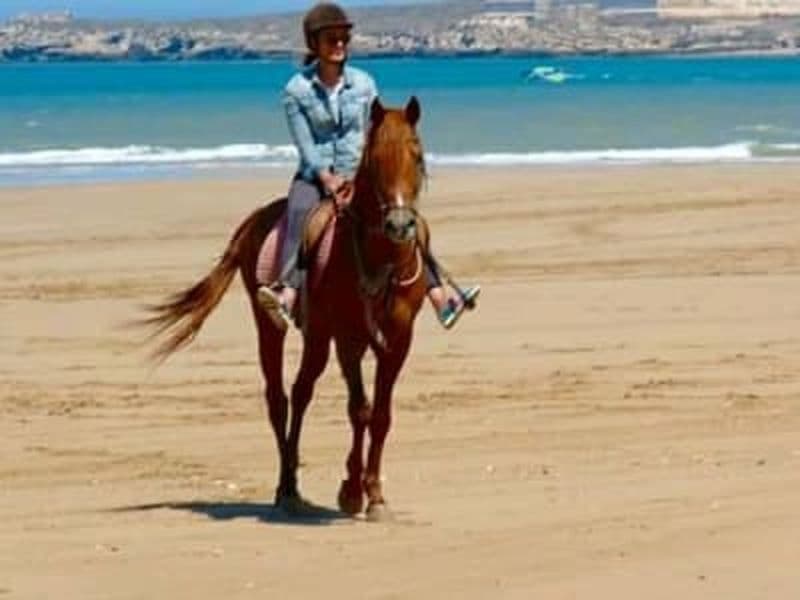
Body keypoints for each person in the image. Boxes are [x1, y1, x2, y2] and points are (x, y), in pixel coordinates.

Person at [257, 2, 479, 332]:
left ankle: (440, 296)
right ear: (314, 44)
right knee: (300, 215)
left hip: (358, 174)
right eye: (332, 39)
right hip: (314, 176)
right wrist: (326, 178)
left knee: (405, 219)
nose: (339, 46)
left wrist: (365, 173)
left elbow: (373, 134)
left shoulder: (364, 85)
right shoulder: (296, 91)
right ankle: (288, 291)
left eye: (344, 39)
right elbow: (304, 143)